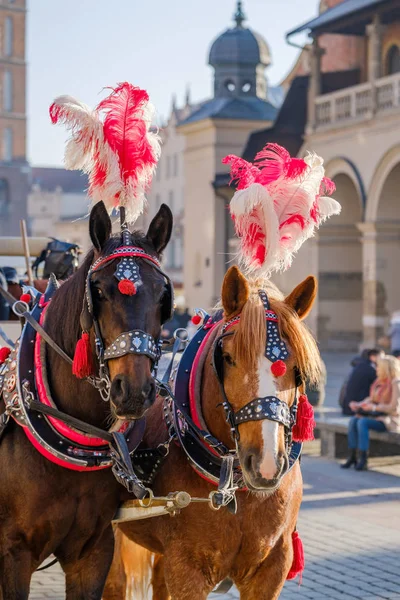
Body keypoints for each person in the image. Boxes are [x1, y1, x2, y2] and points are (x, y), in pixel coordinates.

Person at [341, 355, 400, 471]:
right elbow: (372, 398)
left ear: (385, 368)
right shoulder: (380, 381)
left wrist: (374, 408)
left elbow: (395, 408)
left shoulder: (395, 382)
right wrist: (359, 404)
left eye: (378, 366)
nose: (376, 369)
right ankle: (353, 456)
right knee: (354, 420)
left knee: (362, 422)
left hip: (390, 420)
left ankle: (364, 459)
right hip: (377, 416)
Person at [340, 349, 381, 416]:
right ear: (372, 357)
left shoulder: (358, 366)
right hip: (356, 408)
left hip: (347, 406)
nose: (383, 360)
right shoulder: (370, 369)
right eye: (381, 357)